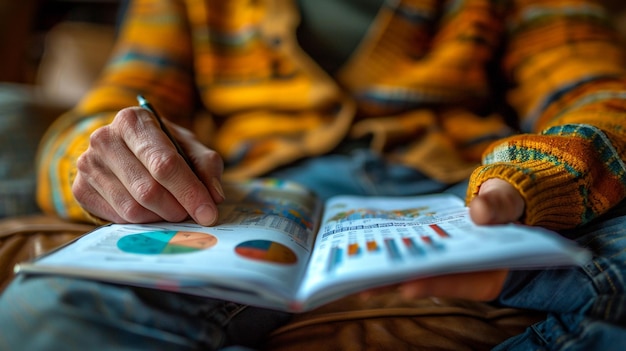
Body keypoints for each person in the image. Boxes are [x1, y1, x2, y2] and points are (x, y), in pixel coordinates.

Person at [1, 0, 626, 349]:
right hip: (258, 193)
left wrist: (533, 176)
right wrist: (106, 158)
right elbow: (105, 112)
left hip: (470, 189)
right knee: (47, 318)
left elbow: (598, 93)